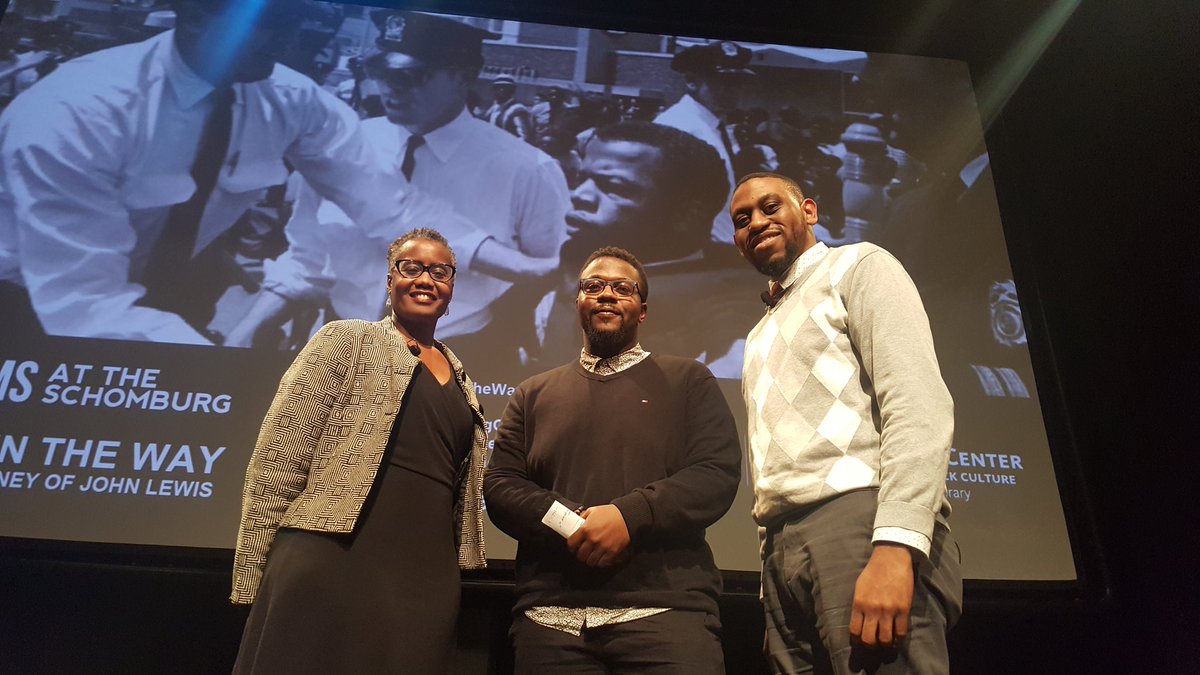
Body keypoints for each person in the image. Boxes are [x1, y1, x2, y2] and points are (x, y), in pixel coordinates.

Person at [0, 0, 467, 345]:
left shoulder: (284, 97)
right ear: (194, 16)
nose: (288, 41)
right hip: (34, 309)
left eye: (297, 26)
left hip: (175, 296)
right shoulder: (78, 111)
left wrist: (490, 256)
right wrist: (213, 370)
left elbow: (385, 202)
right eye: (268, 24)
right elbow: (84, 304)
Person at [226, 10, 569, 353]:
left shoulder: (528, 170)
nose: (388, 88)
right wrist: (248, 330)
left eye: (407, 76)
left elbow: (550, 275)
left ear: (464, 76)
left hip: (455, 352)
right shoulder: (345, 147)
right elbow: (307, 258)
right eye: (379, 72)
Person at [729, 172, 962, 674]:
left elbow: (917, 404)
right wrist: (774, 584)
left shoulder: (858, 265)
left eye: (770, 207)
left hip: (861, 524)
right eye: (742, 219)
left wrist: (896, 546)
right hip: (783, 553)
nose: (757, 222)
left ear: (809, 211)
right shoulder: (758, 334)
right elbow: (773, 465)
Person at [231, 228, 487, 674]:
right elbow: (277, 460)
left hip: (425, 573)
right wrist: (254, 575)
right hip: (330, 557)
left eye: (439, 272)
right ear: (390, 281)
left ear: (451, 290)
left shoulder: (463, 378)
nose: (425, 279)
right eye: (411, 267)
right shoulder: (347, 339)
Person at [485, 246, 742, 673]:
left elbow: (715, 473)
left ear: (643, 310)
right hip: (551, 622)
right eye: (593, 286)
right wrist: (572, 524)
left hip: (665, 613)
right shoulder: (532, 393)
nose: (607, 294)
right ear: (578, 303)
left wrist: (628, 517)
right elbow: (501, 486)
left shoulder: (689, 380)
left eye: (622, 288)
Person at [532, 121, 764, 377]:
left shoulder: (734, 308)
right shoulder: (559, 272)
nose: (579, 195)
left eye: (614, 187)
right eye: (579, 179)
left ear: (688, 214)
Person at [655, 40, 754, 245]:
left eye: (739, 82)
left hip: (725, 240)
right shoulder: (677, 126)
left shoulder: (713, 125)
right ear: (692, 81)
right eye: (724, 81)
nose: (733, 89)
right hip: (701, 246)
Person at [485, 73, 531, 140]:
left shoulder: (517, 110)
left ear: (512, 90)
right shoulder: (493, 108)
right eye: (498, 87)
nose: (501, 90)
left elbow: (525, 137)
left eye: (505, 87)